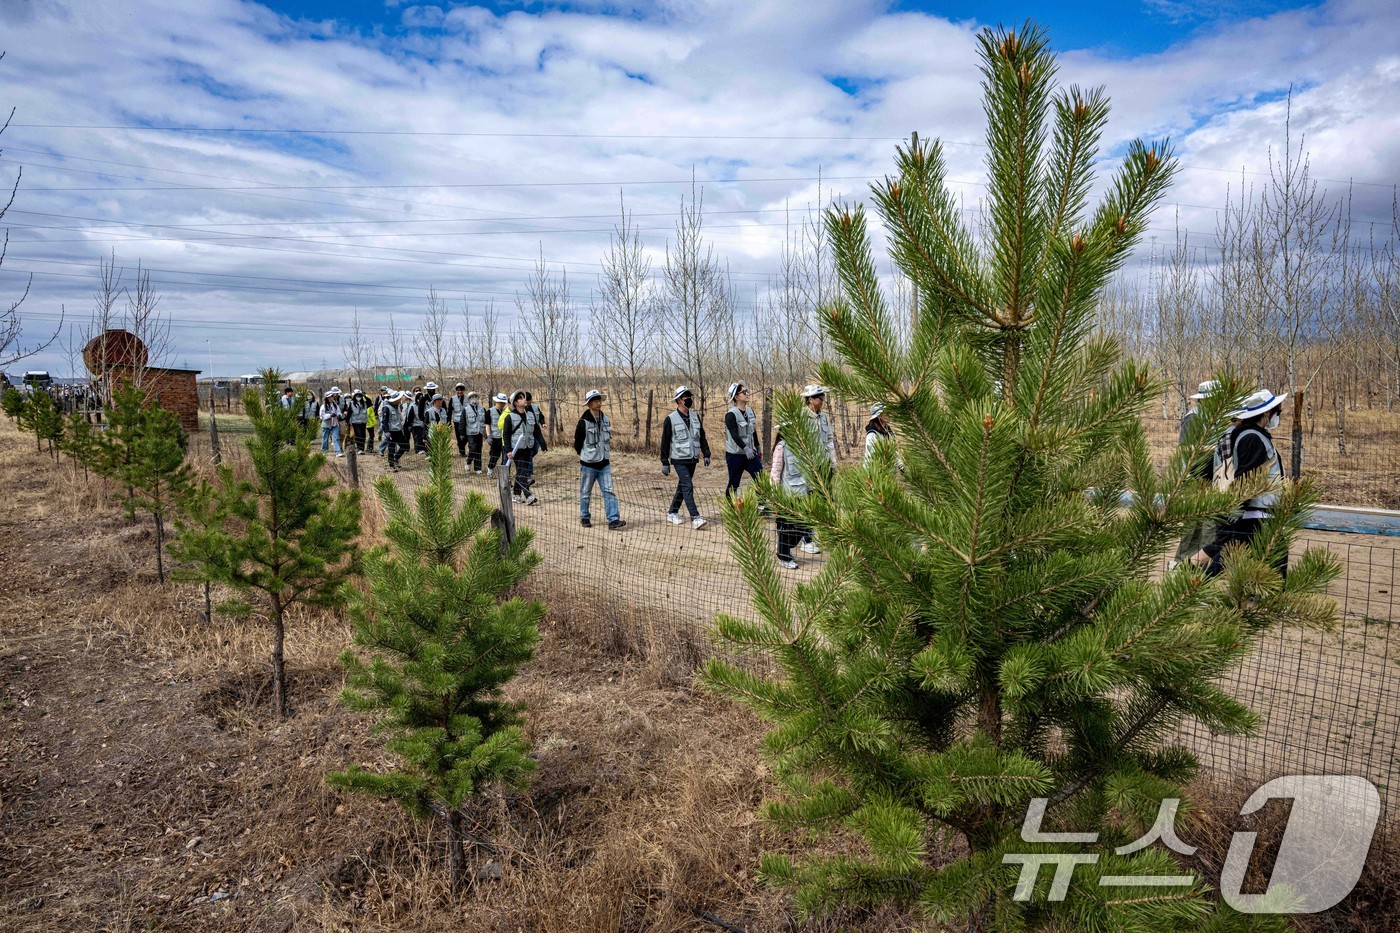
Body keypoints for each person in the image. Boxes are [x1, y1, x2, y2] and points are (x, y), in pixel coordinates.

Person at [1203, 389, 1287, 579]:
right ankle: (1191, 584)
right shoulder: (1252, 438)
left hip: (1254, 513)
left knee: (1229, 558)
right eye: (1278, 411)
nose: (1278, 416)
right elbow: (1246, 477)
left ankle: (1192, 582)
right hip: (1257, 514)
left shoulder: (1248, 435)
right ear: (1267, 413)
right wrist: (1236, 512)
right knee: (1272, 562)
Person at [1172, 380, 1221, 567]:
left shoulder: (1216, 417)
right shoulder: (1193, 418)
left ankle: (1202, 566)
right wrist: (1216, 449)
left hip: (1211, 479)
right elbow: (1185, 448)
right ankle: (1182, 564)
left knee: (1209, 526)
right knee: (1193, 527)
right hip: (1195, 478)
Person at [660, 385, 710, 529]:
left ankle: (672, 512)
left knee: (683, 486)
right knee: (688, 485)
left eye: (689, 396)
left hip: (692, 458)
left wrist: (706, 453)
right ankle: (695, 517)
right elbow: (665, 442)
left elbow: (702, 436)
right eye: (686, 396)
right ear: (679, 400)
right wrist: (665, 462)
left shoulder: (695, 417)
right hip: (679, 459)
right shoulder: (670, 419)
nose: (689, 399)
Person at [574, 390, 625, 530]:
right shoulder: (583, 422)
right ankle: (585, 517)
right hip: (588, 465)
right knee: (586, 492)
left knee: (609, 491)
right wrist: (587, 456)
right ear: (589, 404)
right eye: (595, 401)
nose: (598, 403)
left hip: (604, 464)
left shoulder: (605, 419)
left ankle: (613, 520)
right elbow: (577, 444)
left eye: (599, 400)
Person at [796, 384, 834, 552]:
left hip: (824, 466)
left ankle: (825, 535)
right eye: (819, 397)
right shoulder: (801, 417)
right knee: (809, 502)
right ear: (810, 399)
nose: (822, 399)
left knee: (826, 500)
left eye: (823, 396)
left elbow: (829, 440)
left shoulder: (824, 417)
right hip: (809, 468)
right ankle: (806, 539)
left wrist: (832, 463)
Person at [768, 427, 810, 570]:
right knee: (786, 527)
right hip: (787, 496)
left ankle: (783, 547)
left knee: (803, 526)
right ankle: (784, 556)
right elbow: (775, 473)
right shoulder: (781, 448)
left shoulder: (802, 445)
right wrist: (775, 495)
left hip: (802, 494)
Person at [723, 382, 762, 499]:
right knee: (734, 483)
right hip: (735, 455)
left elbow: (752, 431)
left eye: (747, 391)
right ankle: (730, 504)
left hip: (750, 454)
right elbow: (734, 435)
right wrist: (745, 448)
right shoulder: (731, 415)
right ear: (736, 397)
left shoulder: (750, 411)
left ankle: (762, 504)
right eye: (744, 392)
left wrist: (757, 447)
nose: (747, 394)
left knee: (761, 478)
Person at [502, 390, 539, 505]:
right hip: (516, 449)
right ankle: (528, 496)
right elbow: (506, 435)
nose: (524, 399)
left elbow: (535, 430)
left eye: (524, 397)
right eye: (521, 398)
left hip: (528, 448)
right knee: (522, 472)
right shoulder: (509, 417)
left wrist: (541, 443)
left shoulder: (530, 414)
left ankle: (516, 495)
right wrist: (508, 450)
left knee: (521, 471)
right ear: (515, 403)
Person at [381, 391, 410, 472]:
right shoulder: (387, 408)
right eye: (399, 399)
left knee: (405, 446)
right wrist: (386, 431)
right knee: (391, 449)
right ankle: (391, 465)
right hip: (391, 431)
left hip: (398, 431)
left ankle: (395, 458)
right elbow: (384, 421)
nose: (400, 400)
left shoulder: (397, 407)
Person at [864, 403, 898, 468]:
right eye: (886, 413)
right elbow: (870, 455)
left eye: (889, 413)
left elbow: (894, 452)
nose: (889, 415)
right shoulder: (872, 434)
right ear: (879, 416)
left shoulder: (889, 432)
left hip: (889, 469)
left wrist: (902, 467)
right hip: (876, 470)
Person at [462, 390, 487, 474]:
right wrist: (462, 433)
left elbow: (485, 421)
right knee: (473, 448)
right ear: (469, 399)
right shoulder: (466, 409)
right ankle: (468, 461)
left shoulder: (482, 409)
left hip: (480, 432)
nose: (474, 398)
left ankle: (477, 468)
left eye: (475, 396)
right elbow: (462, 422)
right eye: (472, 397)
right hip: (470, 432)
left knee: (478, 450)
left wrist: (486, 432)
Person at [319, 387, 344, 457]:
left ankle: (338, 451)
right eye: (331, 397)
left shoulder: (335, 405)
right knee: (325, 438)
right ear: (327, 398)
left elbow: (338, 412)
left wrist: (338, 415)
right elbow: (321, 416)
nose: (332, 398)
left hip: (335, 424)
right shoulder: (323, 406)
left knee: (336, 437)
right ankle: (324, 451)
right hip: (326, 424)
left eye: (332, 396)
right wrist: (330, 415)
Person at [487, 393, 509, 473]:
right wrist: (489, 436)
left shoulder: (506, 411)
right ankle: (490, 468)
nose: (502, 405)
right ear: (496, 402)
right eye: (500, 403)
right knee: (495, 455)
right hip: (495, 437)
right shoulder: (490, 411)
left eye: (503, 403)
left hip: (504, 437)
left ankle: (503, 472)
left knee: (505, 456)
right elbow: (487, 424)